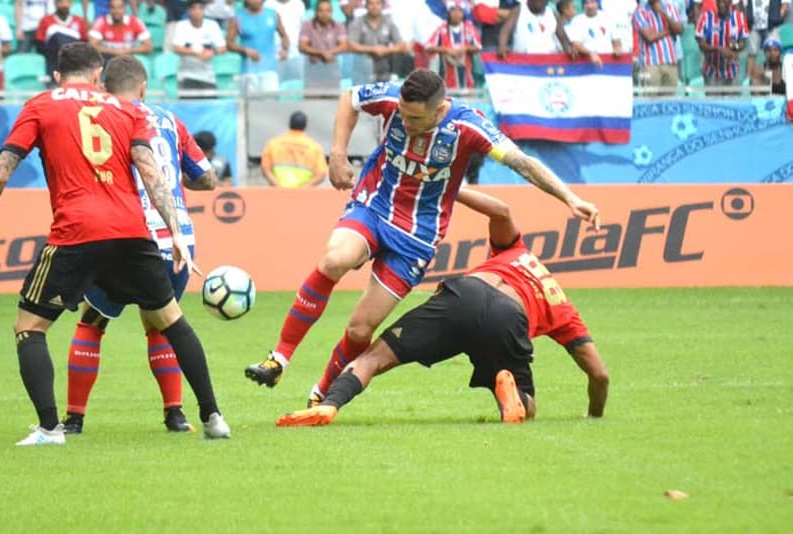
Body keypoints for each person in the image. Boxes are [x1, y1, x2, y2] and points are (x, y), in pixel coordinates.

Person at [244, 69, 601, 407]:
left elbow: (522, 162)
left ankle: (321, 393)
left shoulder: (467, 125)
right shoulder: (392, 98)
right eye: (402, 114)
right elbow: (349, 98)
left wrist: (569, 197)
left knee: (360, 327)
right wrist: (337, 154)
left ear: (440, 110)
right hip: (374, 206)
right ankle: (279, 358)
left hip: (416, 239)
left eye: (415, 119)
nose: (405, 123)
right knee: (335, 259)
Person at [0, 43, 230, 446]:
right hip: (133, 232)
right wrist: (173, 232)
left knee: (30, 326)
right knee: (171, 321)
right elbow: (151, 174)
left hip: (76, 232)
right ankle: (213, 417)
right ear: (99, 75)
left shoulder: (41, 105)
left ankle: (52, 428)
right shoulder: (128, 109)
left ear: (56, 76)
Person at [276, 189, 609, 427]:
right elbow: (599, 374)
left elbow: (502, 211)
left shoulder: (515, 251)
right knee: (527, 407)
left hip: (461, 296)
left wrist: (453, 189)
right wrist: (594, 414)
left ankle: (329, 405)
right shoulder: (563, 307)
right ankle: (510, 391)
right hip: (510, 318)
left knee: (373, 359)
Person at [62, 63, 219, 435]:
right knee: (162, 324)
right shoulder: (170, 120)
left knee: (92, 321)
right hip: (177, 236)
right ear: (144, 88)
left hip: (125, 233)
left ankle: (74, 418)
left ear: (103, 87)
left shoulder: (102, 117)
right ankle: (175, 414)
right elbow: (208, 179)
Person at [226, 0, 290, 93]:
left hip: (270, 70)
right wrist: (245, 50)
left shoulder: (273, 15)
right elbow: (229, 44)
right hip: (248, 71)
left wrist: (285, 49)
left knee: (270, 102)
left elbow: (284, 36)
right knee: (250, 105)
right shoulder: (238, 18)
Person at [260, 110, 328, 187]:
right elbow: (322, 173)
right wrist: (305, 188)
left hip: (278, 194)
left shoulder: (273, 143)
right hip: (303, 196)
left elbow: (265, 169)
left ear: (290, 124)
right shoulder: (314, 147)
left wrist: (278, 186)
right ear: (305, 126)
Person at [172, 0, 228, 93]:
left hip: (208, 76)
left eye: (200, 8)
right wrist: (196, 53)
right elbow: (177, 48)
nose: (197, 11)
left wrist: (212, 52)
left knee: (209, 105)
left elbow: (223, 48)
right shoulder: (181, 26)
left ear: (204, 10)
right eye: (194, 8)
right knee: (187, 106)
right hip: (186, 76)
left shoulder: (212, 25)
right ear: (189, 10)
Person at [425, 1, 481, 90]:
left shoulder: (469, 27)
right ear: (448, 12)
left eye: (460, 11)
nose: (456, 14)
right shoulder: (441, 28)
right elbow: (428, 46)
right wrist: (447, 50)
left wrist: (465, 48)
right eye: (453, 10)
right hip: (447, 80)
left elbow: (478, 46)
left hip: (467, 79)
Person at [346, 0, 405, 83]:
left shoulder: (389, 22)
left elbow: (402, 46)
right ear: (366, 5)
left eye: (378, 3)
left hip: (384, 73)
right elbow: (350, 45)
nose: (374, 6)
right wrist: (372, 49)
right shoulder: (358, 22)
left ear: (382, 5)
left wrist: (386, 50)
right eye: (371, 3)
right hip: (361, 73)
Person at [695, 0, 748, 92]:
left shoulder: (739, 18)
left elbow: (743, 42)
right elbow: (701, 44)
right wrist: (718, 49)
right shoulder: (706, 18)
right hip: (712, 72)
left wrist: (735, 48)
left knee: (731, 105)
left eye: (724, 1)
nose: (721, 4)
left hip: (732, 72)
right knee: (713, 105)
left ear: (730, 2)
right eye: (719, 1)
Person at [633, 0, 683, 91]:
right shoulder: (640, 12)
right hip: (650, 65)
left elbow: (680, 30)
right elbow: (650, 37)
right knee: (649, 102)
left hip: (670, 62)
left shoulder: (670, 8)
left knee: (669, 102)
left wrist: (663, 13)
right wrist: (669, 31)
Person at [298, 0, 348, 90]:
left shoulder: (338, 26)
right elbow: (302, 46)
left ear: (332, 12)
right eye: (321, 11)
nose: (324, 14)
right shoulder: (307, 25)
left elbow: (344, 45)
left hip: (332, 72)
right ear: (316, 12)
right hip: (313, 73)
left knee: (333, 102)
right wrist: (321, 53)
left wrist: (329, 53)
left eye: (327, 11)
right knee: (311, 102)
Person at [497, 0, 575, 58]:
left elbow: (562, 37)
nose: (539, 2)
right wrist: (502, 46)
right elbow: (505, 31)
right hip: (523, 63)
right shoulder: (518, 11)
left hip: (548, 62)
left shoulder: (552, 14)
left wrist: (569, 49)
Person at [36, 0, 88, 83]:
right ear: (55, 3)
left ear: (71, 4)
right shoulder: (46, 20)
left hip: (74, 62)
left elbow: (84, 43)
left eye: (67, 2)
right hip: (52, 60)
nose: (64, 5)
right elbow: (40, 44)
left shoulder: (79, 21)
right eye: (61, 2)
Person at [90, 0, 154, 64]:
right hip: (106, 62)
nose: (116, 11)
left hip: (128, 61)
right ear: (109, 9)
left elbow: (149, 47)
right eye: (113, 7)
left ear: (124, 8)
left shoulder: (135, 22)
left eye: (119, 7)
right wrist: (115, 52)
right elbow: (92, 45)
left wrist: (127, 51)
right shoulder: (101, 22)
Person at [567, 0, 624, 68]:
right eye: (586, 3)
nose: (590, 6)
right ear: (583, 6)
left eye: (592, 2)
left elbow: (616, 40)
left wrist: (618, 48)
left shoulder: (608, 18)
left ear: (597, 4)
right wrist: (591, 54)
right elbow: (576, 43)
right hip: (585, 63)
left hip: (607, 62)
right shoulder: (576, 21)